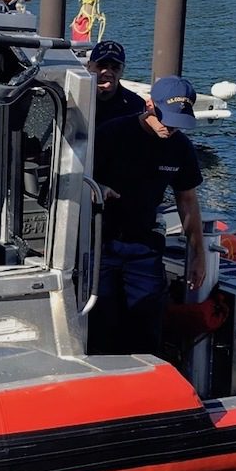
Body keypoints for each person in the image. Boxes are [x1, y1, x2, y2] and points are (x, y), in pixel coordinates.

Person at [88, 75, 206, 358]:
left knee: (147, 327)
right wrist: (97, 188)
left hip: (144, 245)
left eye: (179, 123)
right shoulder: (111, 134)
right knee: (102, 323)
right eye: (166, 120)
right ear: (149, 105)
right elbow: (75, 178)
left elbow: (187, 201)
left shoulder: (181, 148)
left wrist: (198, 254)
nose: (171, 129)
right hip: (101, 242)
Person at [86, 39, 147, 127]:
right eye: (102, 66)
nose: (108, 73)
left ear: (122, 70)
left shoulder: (136, 105)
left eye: (115, 68)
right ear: (89, 66)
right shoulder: (73, 101)